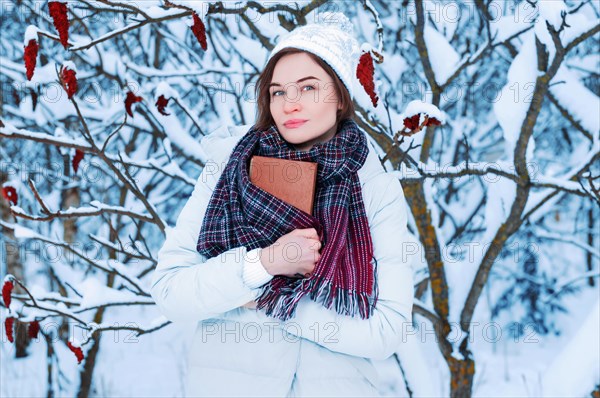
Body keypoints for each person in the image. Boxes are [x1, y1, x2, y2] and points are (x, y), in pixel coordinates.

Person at [151, 12, 417, 398]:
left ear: (340, 95)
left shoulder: (373, 188)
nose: (290, 103)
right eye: (278, 91)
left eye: (308, 88)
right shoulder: (229, 170)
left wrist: (274, 303)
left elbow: (387, 329)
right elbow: (170, 291)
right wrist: (264, 264)